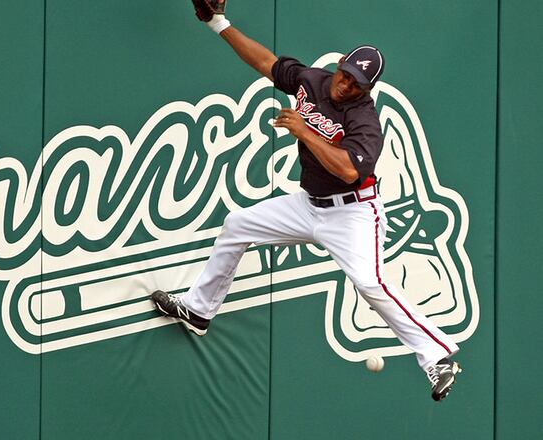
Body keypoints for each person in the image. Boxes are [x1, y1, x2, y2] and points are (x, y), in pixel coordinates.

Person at [151, 2, 462, 401]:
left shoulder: (364, 120)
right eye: (347, 75)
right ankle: (199, 309)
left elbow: (349, 170)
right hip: (309, 204)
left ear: (367, 90)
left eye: (357, 84)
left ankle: (437, 356)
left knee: (370, 282)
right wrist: (218, 24)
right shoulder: (313, 81)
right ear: (341, 65)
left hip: (353, 212)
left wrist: (304, 131)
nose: (347, 85)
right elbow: (266, 62)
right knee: (237, 225)